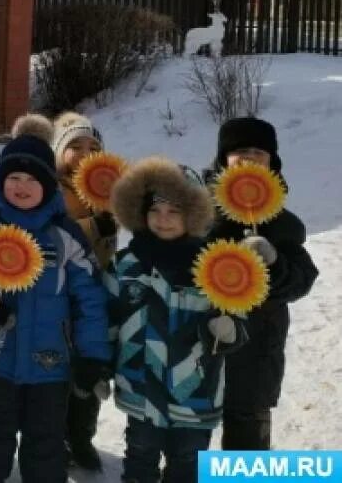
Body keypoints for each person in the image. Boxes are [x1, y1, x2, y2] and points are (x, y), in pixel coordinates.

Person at [0, 117, 110, 483]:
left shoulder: (64, 235)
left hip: (51, 362)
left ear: (47, 185)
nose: (21, 186)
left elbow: (89, 298)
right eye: (13, 178)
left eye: (31, 180)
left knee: (46, 439)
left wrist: (93, 353)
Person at [106, 157, 248, 483]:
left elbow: (237, 318)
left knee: (187, 466)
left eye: (174, 212)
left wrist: (229, 329)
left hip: (194, 393)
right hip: (139, 388)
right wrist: (99, 364)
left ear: (193, 214)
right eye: (155, 211)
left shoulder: (214, 267)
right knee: (139, 460)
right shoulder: (127, 265)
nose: (163, 220)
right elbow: (109, 319)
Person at [204, 116, 319, 449]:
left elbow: (302, 280)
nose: (250, 156)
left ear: (272, 162)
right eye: (240, 149)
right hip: (200, 340)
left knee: (248, 432)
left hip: (258, 346)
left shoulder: (282, 223)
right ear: (223, 158)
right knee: (188, 430)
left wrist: (274, 263)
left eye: (260, 150)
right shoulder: (197, 209)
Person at [52, 110, 116, 471]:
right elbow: (58, 236)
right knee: (61, 366)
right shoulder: (51, 190)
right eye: (74, 146)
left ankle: (81, 435)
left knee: (91, 367)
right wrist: (94, 225)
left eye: (92, 146)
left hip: (99, 289)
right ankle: (58, 435)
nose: (84, 153)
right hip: (62, 292)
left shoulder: (105, 186)